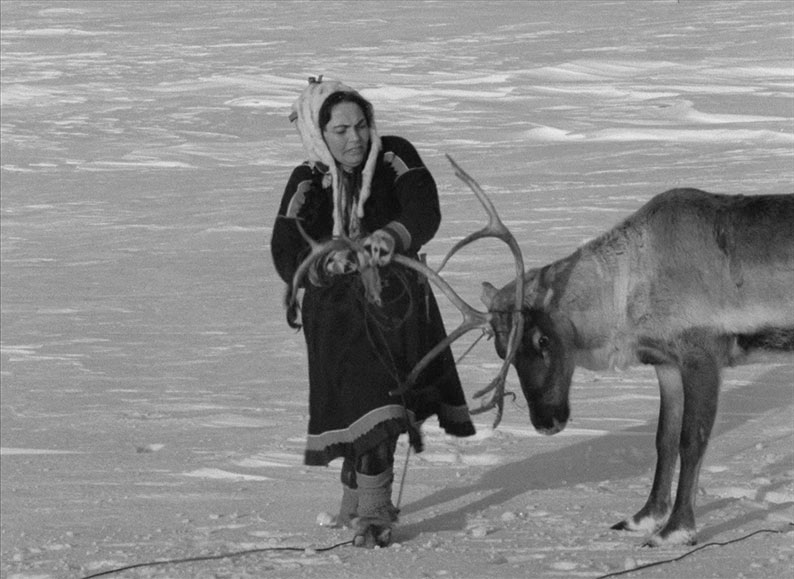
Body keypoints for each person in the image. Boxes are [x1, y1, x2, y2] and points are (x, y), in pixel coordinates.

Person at [271, 76, 475, 548]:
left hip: (399, 299)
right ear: (318, 134)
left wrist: (395, 235)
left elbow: (424, 207)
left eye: (361, 125)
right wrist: (325, 260)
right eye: (340, 130)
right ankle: (366, 498)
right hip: (335, 313)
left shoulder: (393, 155)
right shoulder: (308, 180)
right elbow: (285, 247)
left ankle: (370, 505)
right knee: (367, 392)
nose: (355, 138)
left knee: (380, 391)